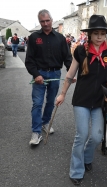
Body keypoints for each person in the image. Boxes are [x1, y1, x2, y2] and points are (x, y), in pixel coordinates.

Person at [55, 15, 107, 185]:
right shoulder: (80, 51)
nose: (99, 37)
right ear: (90, 34)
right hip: (81, 100)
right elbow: (69, 75)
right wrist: (62, 94)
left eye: (102, 34)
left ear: (105, 35)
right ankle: (76, 170)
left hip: (99, 101)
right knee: (82, 135)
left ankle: (87, 158)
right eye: (95, 33)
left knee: (97, 136)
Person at [25, 9, 72, 145]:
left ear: (52, 20)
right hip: (39, 75)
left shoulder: (60, 38)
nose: (45, 24)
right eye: (42, 21)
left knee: (51, 102)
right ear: (39, 22)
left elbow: (67, 58)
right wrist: (36, 74)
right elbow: (29, 60)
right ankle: (36, 132)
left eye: (47, 20)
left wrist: (71, 74)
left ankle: (45, 123)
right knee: (37, 104)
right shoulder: (34, 38)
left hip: (55, 74)